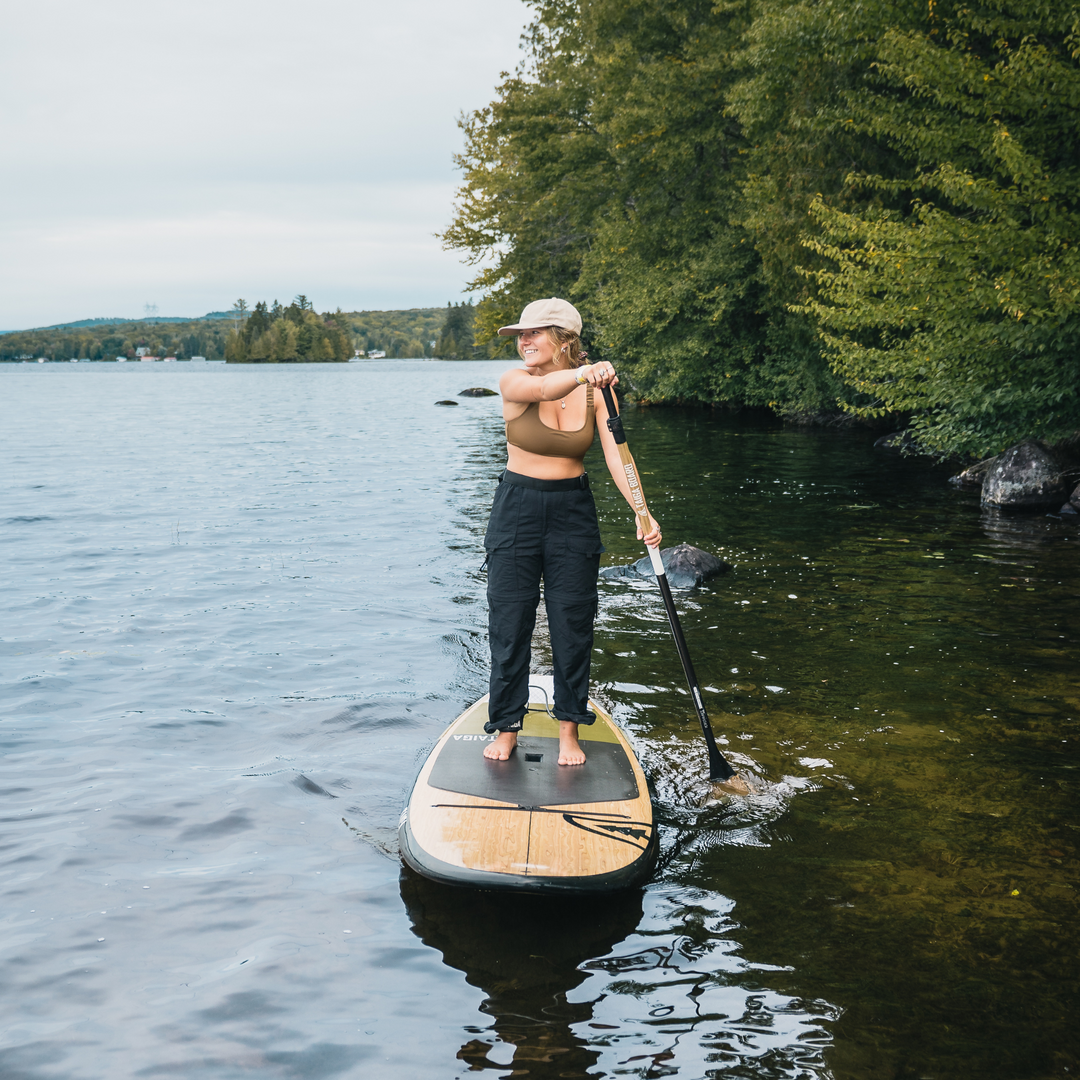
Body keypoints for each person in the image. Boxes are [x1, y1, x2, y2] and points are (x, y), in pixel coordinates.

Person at [482, 297, 661, 766]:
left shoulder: (598, 392)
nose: (523, 340)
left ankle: (569, 733)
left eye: (535, 332)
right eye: (521, 334)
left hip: (573, 512)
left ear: (564, 340)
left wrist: (642, 512)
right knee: (511, 622)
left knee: (573, 624)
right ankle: (505, 727)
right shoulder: (514, 381)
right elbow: (544, 393)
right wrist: (586, 373)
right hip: (516, 510)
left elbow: (617, 454)